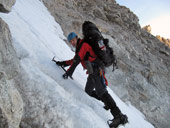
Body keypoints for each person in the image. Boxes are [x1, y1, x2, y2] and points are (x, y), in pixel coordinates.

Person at [55, 32, 128, 127]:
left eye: (73, 40)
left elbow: (77, 60)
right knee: (88, 91)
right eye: (70, 41)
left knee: (102, 92)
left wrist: (68, 73)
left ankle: (119, 116)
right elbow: (75, 60)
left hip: (96, 70)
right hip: (92, 72)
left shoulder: (83, 45)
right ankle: (106, 102)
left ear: (77, 38)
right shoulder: (80, 48)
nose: (72, 42)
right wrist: (63, 63)